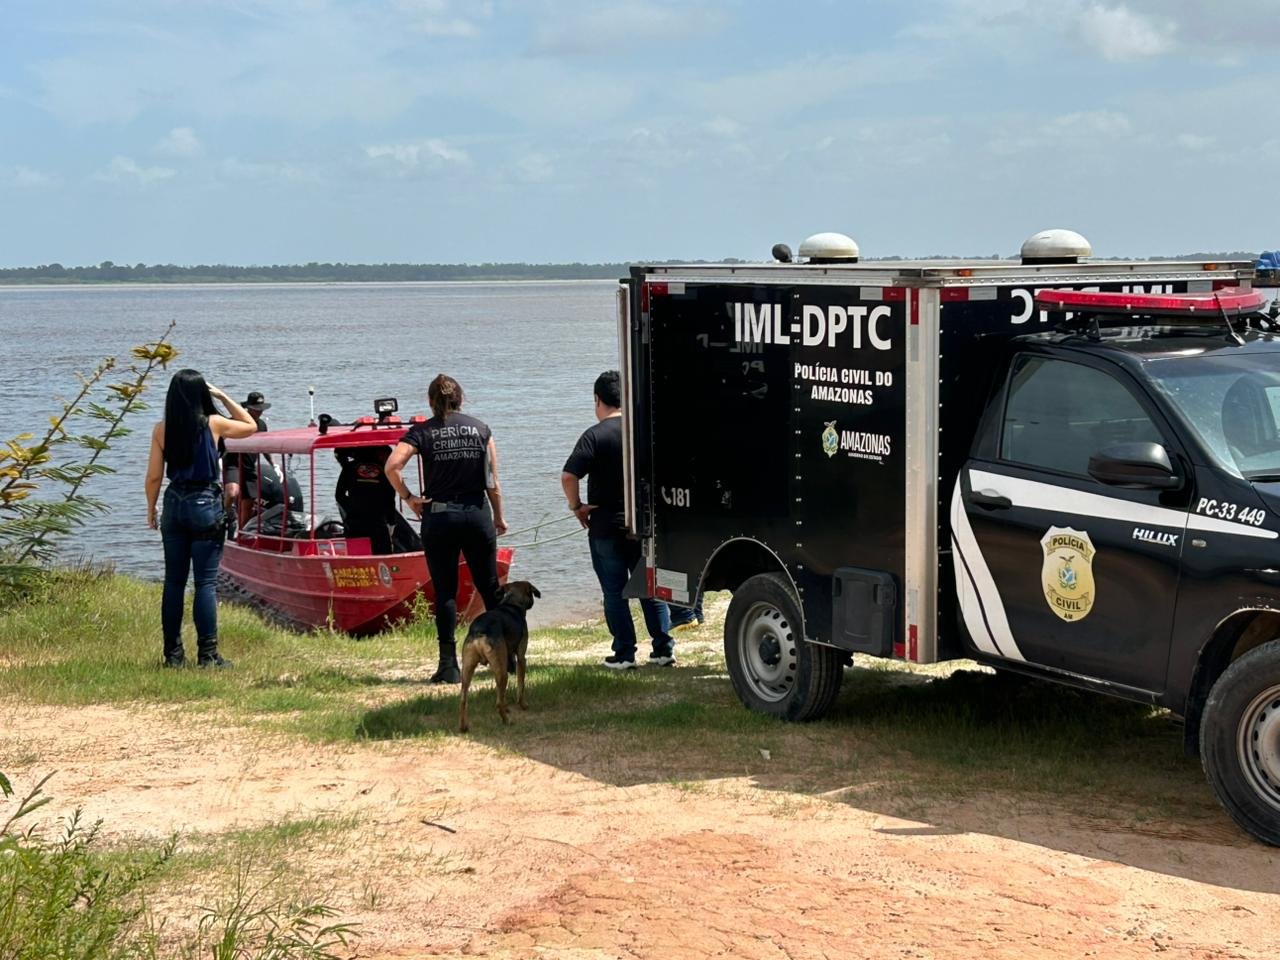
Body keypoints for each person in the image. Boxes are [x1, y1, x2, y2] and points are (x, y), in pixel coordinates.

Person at [385, 374, 507, 683]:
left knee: (445, 591)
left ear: (430, 402)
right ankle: (504, 656)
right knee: (490, 587)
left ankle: (448, 665)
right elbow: (492, 482)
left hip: (439, 518)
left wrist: (409, 498)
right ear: (461, 399)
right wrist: (498, 517)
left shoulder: (421, 432)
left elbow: (391, 467)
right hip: (476, 513)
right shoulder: (481, 429)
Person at [145, 370, 258, 668]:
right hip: (205, 503)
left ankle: (173, 656)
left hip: (174, 503)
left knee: (173, 582)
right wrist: (221, 395)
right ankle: (208, 656)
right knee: (205, 583)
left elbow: (154, 476)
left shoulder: (161, 430)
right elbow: (250, 425)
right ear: (201, 395)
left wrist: (150, 508)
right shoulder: (214, 423)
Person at [562, 370, 674, 670]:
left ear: (597, 399)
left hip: (606, 526)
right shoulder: (645, 430)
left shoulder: (594, 435)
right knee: (650, 589)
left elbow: (569, 476)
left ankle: (625, 653)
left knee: (614, 592)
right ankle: (663, 649)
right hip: (643, 524)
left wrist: (577, 507)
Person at [335, 445, 420, 555]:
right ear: (379, 454)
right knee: (384, 557)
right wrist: (391, 522)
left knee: (356, 557)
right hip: (378, 523)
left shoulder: (349, 467)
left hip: (354, 522)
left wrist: (353, 508)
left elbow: (339, 495)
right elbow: (390, 499)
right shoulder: (385, 471)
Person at [223, 390, 271, 527]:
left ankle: (242, 533)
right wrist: (218, 460)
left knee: (248, 505)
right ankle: (226, 513)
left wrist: (274, 464)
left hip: (249, 467)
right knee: (232, 493)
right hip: (233, 464)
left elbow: (265, 447)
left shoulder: (261, 425)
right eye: (256, 409)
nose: (259, 412)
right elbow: (220, 441)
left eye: (261, 409)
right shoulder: (234, 422)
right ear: (248, 408)